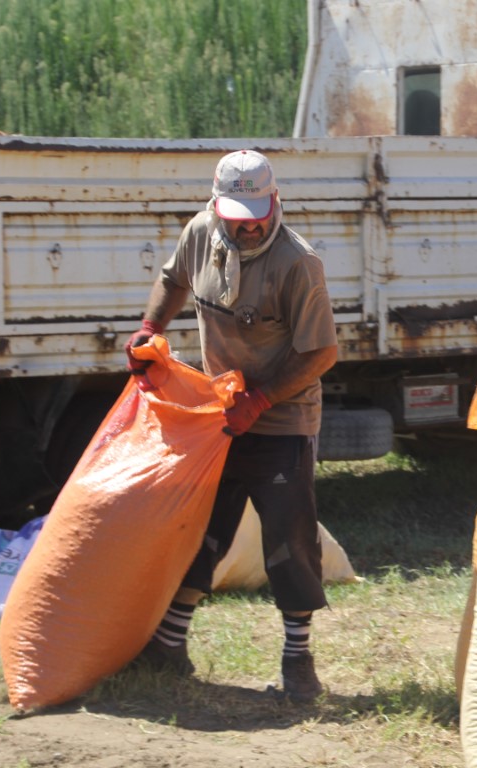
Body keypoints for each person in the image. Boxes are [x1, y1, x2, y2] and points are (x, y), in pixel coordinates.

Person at [124, 149, 338, 703]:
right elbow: (172, 280)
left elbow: (320, 354)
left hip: (283, 420)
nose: (248, 226)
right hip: (219, 414)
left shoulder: (298, 264)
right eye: (236, 215)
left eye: (257, 213)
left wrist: (262, 400)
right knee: (199, 529)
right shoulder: (202, 233)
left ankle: (300, 665)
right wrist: (149, 329)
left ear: (275, 201)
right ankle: (169, 646)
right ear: (218, 207)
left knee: (288, 539)